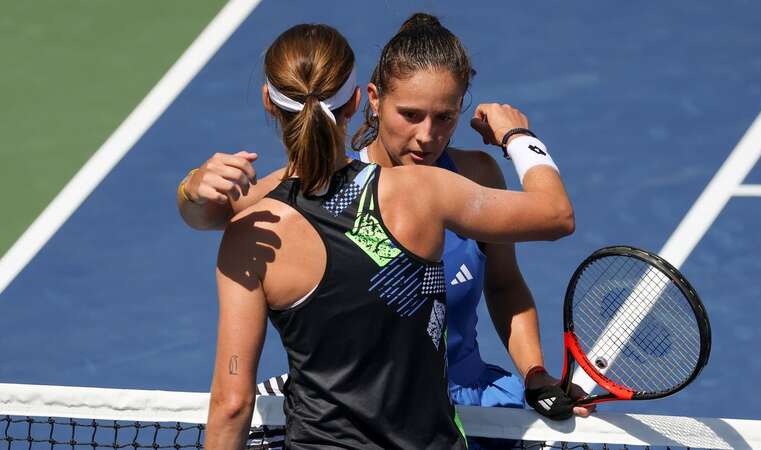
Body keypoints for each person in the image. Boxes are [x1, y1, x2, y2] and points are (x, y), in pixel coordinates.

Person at [197, 17, 583, 450]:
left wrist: (533, 373)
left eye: (445, 117)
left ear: (269, 102)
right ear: (369, 100)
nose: (427, 136)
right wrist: (519, 136)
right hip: (410, 419)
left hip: (456, 407)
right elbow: (556, 214)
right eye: (411, 115)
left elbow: (506, 284)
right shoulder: (424, 192)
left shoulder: (471, 176)